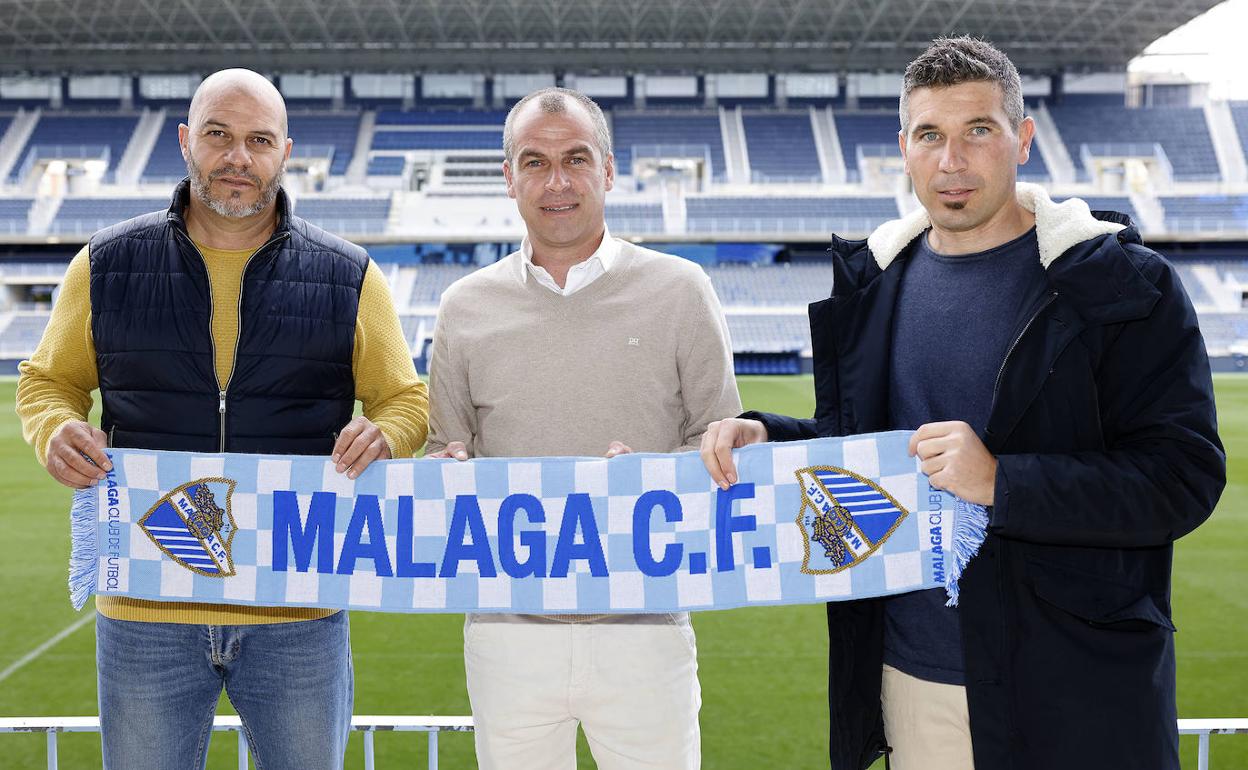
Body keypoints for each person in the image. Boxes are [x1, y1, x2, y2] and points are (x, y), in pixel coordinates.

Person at [699, 37, 1224, 770]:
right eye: (929, 135)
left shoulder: (1122, 285)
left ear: (1023, 139)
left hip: (1075, 686)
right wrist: (769, 437)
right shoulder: (873, 287)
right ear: (903, 150)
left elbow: (1182, 478)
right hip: (913, 681)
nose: (952, 161)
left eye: (978, 130)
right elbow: (867, 449)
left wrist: (1003, 483)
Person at [16, 69, 428, 769]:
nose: (239, 157)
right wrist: (54, 428)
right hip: (145, 610)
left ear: (285, 152)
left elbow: (407, 400)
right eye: (218, 135)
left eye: (259, 141)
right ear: (185, 141)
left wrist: (385, 432)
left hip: (297, 609)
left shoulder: (349, 275)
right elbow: (48, 382)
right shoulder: (105, 265)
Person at [426, 86, 741, 769]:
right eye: (535, 162)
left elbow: (721, 445)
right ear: (509, 177)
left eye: (575, 158)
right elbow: (441, 452)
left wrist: (654, 476)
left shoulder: (681, 289)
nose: (557, 181)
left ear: (608, 169)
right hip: (507, 631)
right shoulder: (463, 305)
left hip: (645, 626)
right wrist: (445, 471)